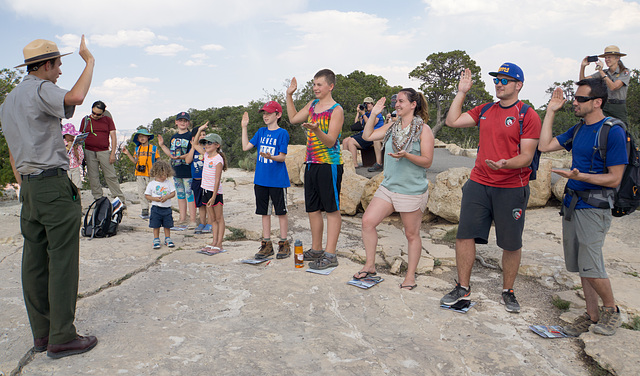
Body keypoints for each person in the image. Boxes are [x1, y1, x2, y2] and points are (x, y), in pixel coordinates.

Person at [0, 36, 98, 358]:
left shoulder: (9, 102)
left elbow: (15, 155)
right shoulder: (41, 89)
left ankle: (41, 335)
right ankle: (62, 336)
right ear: (44, 65)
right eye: (57, 65)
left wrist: (26, 187)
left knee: (34, 262)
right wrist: (89, 62)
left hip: (28, 188)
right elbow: (78, 96)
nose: (59, 71)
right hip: (52, 187)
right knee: (62, 260)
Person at [440, 63, 541, 313]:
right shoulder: (485, 109)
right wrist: (462, 91)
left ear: (518, 85)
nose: (499, 84)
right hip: (479, 183)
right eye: (497, 79)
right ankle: (463, 287)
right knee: (464, 235)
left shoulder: (527, 115)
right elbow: (452, 121)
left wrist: (505, 164)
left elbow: (527, 156)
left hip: (511, 187)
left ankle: (508, 290)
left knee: (510, 243)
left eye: (505, 80)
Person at [538, 78, 625, 336]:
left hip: (594, 206)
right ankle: (591, 315)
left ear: (597, 102)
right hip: (573, 204)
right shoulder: (578, 129)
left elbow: (615, 178)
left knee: (592, 263)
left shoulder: (613, 131)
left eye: (580, 99)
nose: (574, 102)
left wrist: (581, 177)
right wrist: (551, 111)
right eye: (575, 98)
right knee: (582, 264)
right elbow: (544, 146)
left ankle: (612, 311)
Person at [353, 89, 434, 290]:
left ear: (413, 104)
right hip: (389, 187)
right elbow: (367, 135)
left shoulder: (424, 130)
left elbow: (427, 162)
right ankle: (370, 265)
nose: (397, 104)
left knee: (411, 234)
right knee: (367, 222)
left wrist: (407, 155)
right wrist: (373, 114)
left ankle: (410, 276)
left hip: (411, 190)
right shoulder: (391, 126)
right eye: (395, 101)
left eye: (401, 101)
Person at [286, 69, 344, 270]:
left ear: (330, 86)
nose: (315, 88)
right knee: (312, 209)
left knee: (332, 209)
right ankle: (317, 249)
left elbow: (330, 142)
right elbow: (293, 118)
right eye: (314, 84)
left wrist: (316, 129)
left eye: (319, 84)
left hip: (329, 165)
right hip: (311, 163)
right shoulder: (312, 105)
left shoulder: (337, 110)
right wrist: (289, 95)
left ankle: (330, 254)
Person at [240, 101, 291, 260]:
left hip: (277, 181)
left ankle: (283, 244)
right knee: (264, 213)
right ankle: (266, 245)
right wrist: (244, 127)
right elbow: (245, 147)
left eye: (269, 113)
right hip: (261, 180)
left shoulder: (283, 133)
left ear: (278, 115)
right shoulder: (261, 132)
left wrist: (271, 157)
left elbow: (282, 158)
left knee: (281, 212)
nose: (265, 116)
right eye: (264, 113)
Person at [80, 100, 126, 205]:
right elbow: (81, 136)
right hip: (89, 151)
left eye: (98, 114)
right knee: (93, 176)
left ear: (103, 113)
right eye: (93, 113)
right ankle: (98, 199)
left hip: (104, 151)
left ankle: (119, 199)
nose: (95, 116)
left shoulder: (108, 120)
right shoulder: (86, 120)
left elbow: (113, 136)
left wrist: (113, 153)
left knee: (111, 176)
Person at [158, 111, 197, 228]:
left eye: (185, 121)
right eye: (180, 120)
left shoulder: (191, 136)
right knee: (180, 195)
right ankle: (182, 218)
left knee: (190, 195)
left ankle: (193, 220)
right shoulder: (173, 137)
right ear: (176, 122)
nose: (183, 123)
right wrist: (162, 145)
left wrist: (181, 157)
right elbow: (171, 154)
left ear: (188, 123)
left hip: (188, 170)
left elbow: (192, 152)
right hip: (176, 171)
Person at [192, 129, 228, 255]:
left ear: (217, 145)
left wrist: (213, 196)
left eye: (209, 143)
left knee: (219, 218)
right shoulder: (206, 155)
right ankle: (214, 242)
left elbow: (217, 179)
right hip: (205, 190)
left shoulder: (218, 159)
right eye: (205, 143)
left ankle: (219, 243)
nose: (206, 145)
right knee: (212, 219)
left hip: (215, 193)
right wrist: (200, 129)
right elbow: (195, 144)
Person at [579, 45, 630, 124]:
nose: (606, 60)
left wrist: (601, 72)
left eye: (609, 57)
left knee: (622, 129)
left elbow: (613, 87)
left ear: (617, 58)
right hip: (604, 105)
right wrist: (582, 66)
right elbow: (583, 81)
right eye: (605, 58)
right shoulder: (604, 72)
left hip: (618, 107)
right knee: (599, 127)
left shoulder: (624, 72)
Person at [121, 129, 160, 219]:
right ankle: (145, 210)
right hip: (140, 173)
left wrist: (159, 172)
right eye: (140, 136)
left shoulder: (153, 148)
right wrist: (127, 153)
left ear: (148, 137)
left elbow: (158, 160)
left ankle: (156, 209)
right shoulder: (137, 149)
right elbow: (135, 161)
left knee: (153, 192)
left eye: (144, 136)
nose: (142, 138)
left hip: (151, 174)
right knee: (141, 191)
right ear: (137, 139)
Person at [342, 97, 384, 170]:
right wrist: (358, 113)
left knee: (351, 141)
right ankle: (346, 164)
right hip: (364, 133)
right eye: (365, 104)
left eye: (368, 104)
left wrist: (364, 114)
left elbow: (370, 125)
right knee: (345, 141)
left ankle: (354, 165)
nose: (367, 105)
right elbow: (357, 125)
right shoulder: (365, 114)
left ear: (373, 104)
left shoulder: (377, 113)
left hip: (373, 135)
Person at [144, 160, 176, 249]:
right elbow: (147, 195)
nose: (163, 177)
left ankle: (168, 238)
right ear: (155, 173)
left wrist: (167, 197)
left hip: (167, 208)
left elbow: (173, 193)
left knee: (167, 224)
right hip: (156, 208)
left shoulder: (168, 183)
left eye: (165, 175)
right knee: (155, 225)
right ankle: (156, 239)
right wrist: (156, 199)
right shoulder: (151, 184)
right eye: (161, 175)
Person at [185, 129, 211, 234]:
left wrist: (196, 145)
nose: (202, 136)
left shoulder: (207, 149)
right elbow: (187, 161)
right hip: (196, 181)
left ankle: (210, 223)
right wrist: (192, 147)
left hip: (206, 181)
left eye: (204, 135)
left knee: (208, 203)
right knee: (200, 204)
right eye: (199, 135)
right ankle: (202, 223)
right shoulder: (193, 150)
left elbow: (206, 155)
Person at [61, 123, 84, 188]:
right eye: (70, 135)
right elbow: (61, 156)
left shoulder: (76, 144)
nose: (72, 137)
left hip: (75, 166)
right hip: (65, 168)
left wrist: (75, 148)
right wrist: (68, 147)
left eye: (73, 135)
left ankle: (78, 197)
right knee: (67, 187)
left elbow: (80, 157)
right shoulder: (61, 143)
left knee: (77, 186)